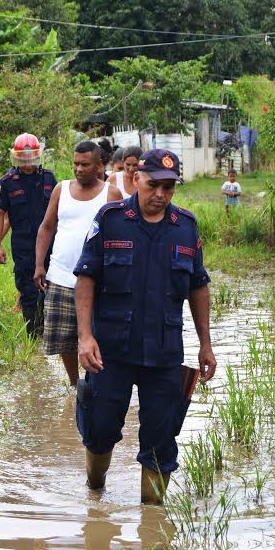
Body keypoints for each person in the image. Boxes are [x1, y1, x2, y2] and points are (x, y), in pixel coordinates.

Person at [73, 148, 217, 504]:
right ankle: (95, 491)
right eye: (154, 185)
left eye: (169, 188)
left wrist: (206, 343)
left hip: (164, 354)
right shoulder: (111, 219)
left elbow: (198, 285)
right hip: (111, 352)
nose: (160, 195)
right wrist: (85, 337)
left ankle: (152, 521)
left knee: (161, 441)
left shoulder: (185, 227)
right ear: (136, 179)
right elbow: (86, 278)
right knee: (100, 428)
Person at [34, 141, 122, 387]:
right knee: (65, 338)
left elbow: (118, 236)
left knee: (98, 334)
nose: (79, 169)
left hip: (98, 280)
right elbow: (47, 227)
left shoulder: (110, 194)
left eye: (85, 164)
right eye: (75, 164)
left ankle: (97, 381)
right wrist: (39, 265)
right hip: (61, 274)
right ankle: (75, 384)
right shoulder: (61, 189)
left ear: (99, 166)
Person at [0, 133, 56, 337]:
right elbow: (0, 214)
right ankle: (33, 334)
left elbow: (60, 210)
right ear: (16, 157)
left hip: (49, 244)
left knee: (49, 286)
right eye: (23, 159)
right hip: (23, 245)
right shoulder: (8, 182)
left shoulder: (48, 178)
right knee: (27, 289)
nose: (27, 164)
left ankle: (47, 330)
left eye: (30, 159)